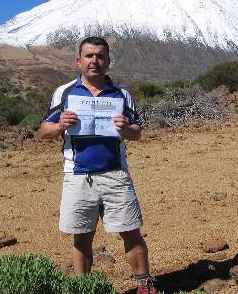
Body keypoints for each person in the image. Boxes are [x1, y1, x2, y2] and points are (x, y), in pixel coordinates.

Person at [39, 36, 156, 294]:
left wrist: (126, 129)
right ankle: (84, 289)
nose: (95, 61)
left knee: (131, 232)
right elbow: (44, 129)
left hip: (115, 173)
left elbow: (137, 132)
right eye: (89, 56)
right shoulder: (65, 92)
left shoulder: (121, 94)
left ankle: (144, 285)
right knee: (81, 237)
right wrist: (60, 126)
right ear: (79, 61)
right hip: (78, 174)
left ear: (108, 61)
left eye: (100, 56)